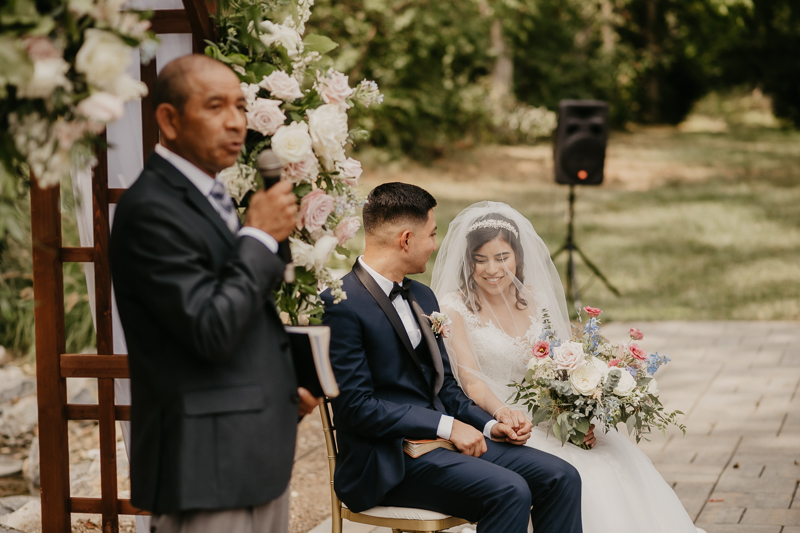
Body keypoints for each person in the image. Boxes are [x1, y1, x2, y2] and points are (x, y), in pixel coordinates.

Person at [109, 54, 319, 533]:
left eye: (241, 106)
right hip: (206, 464)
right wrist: (260, 237)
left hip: (251, 452)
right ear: (170, 119)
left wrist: (285, 387)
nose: (235, 121)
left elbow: (240, 308)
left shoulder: (210, 194)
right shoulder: (150, 209)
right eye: (216, 106)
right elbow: (210, 327)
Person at [321, 183, 583, 533]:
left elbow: (446, 388)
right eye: (431, 234)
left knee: (561, 476)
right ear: (405, 239)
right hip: (387, 460)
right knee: (509, 491)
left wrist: (492, 424)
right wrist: (446, 426)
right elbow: (357, 409)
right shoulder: (340, 304)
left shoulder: (423, 296)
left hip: (444, 446)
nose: (435, 244)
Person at [431, 200, 706, 533]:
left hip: (549, 413)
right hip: (498, 416)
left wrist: (580, 416)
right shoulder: (455, 308)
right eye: (481, 260)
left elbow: (565, 365)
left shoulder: (536, 299)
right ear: (468, 262)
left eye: (502, 258)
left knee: (608, 459)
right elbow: (471, 382)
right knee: (575, 472)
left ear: (517, 257)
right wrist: (505, 414)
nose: (492, 269)